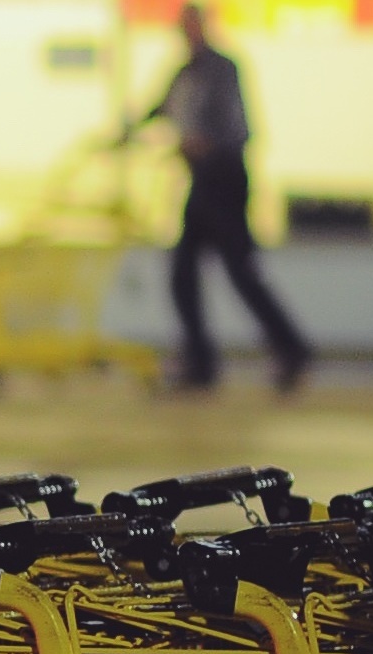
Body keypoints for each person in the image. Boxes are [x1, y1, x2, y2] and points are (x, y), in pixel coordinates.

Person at [128, 3, 312, 393]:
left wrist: (204, 143)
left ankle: (287, 348)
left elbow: (236, 124)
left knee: (236, 271)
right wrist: (125, 133)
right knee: (185, 271)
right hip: (201, 182)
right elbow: (160, 107)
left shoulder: (222, 68)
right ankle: (204, 359)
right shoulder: (184, 71)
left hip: (223, 179)